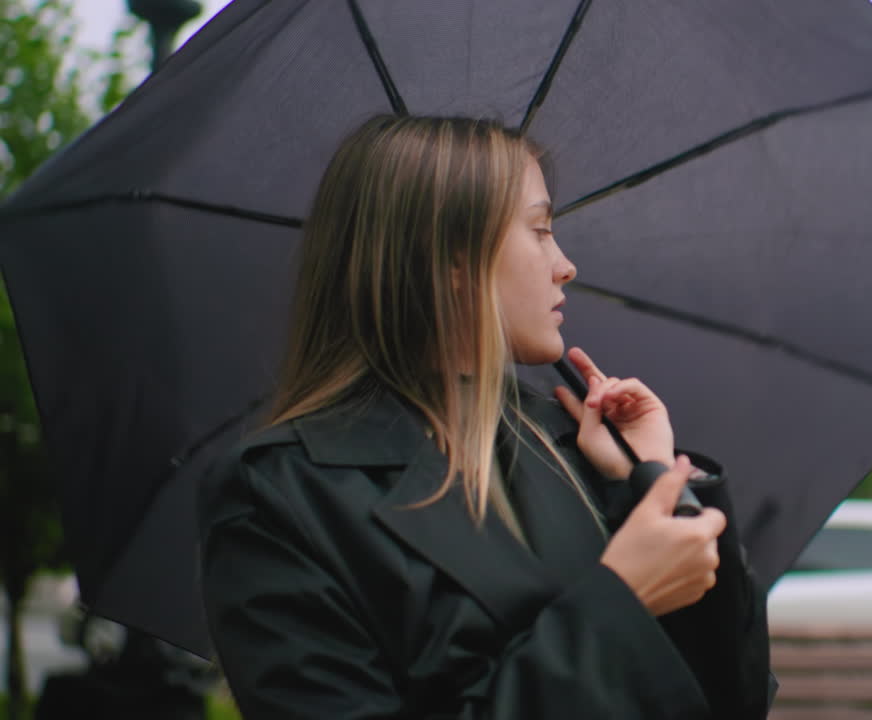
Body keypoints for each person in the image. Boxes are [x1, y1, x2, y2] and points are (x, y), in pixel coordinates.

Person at [198, 115, 774, 719]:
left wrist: (649, 477)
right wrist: (620, 603)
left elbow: (734, 701)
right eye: (541, 230)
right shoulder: (285, 494)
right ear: (450, 256)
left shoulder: (569, 445)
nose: (565, 265)